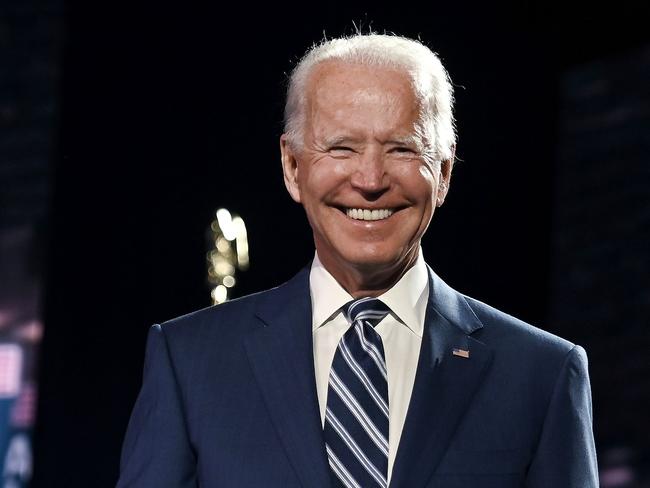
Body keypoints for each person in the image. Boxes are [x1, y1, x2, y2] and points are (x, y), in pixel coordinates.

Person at [117, 34, 598, 488]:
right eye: (341, 148)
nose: (370, 179)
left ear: (445, 172)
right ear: (292, 167)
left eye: (402, 148)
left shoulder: (543, 375)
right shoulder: (189, 362)